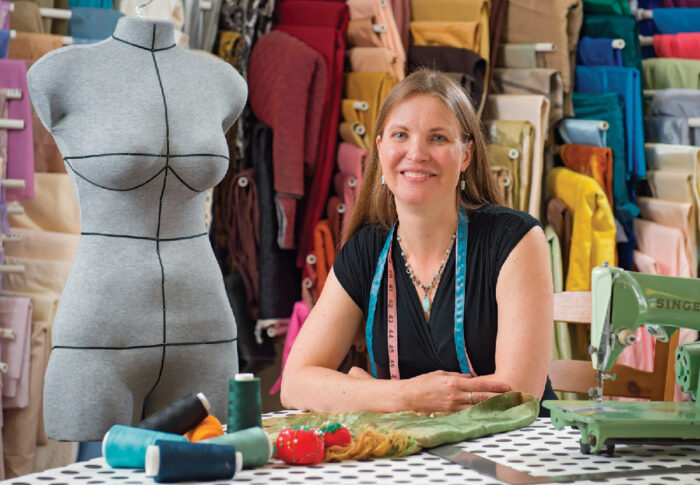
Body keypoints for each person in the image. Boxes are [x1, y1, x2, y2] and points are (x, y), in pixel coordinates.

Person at [281, 69, 554, 414]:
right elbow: (295, 383)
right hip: (415, 463)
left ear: (466, 156)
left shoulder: (515, 241)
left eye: (437, 138)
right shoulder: (367, 250)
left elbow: (517, 399)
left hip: (511, 456)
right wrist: (408, 396)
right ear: (380, 150)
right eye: (400, 135)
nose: (416, 153)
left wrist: (365, 394)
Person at [27, 16, 246, 441]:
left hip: (205, 325)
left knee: (209, 468)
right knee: (100, 474)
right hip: (102, 328)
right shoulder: (59, 74)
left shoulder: (224, 81)